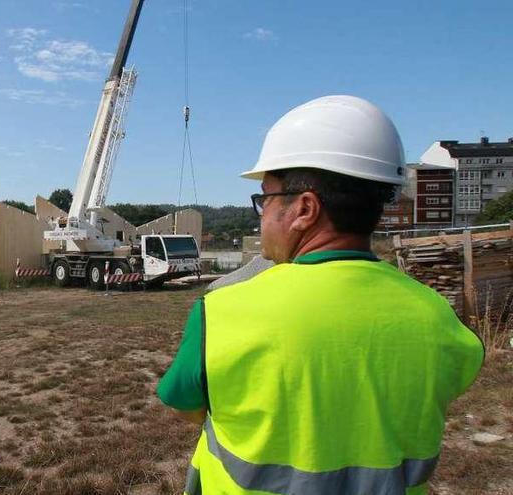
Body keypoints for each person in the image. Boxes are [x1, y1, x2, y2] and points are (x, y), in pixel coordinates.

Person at [157, 95, 484, 495]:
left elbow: (184, 405)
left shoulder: (223, 311)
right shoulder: (436, 315)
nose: (261, 217)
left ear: (305, 209)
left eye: (265, 199)